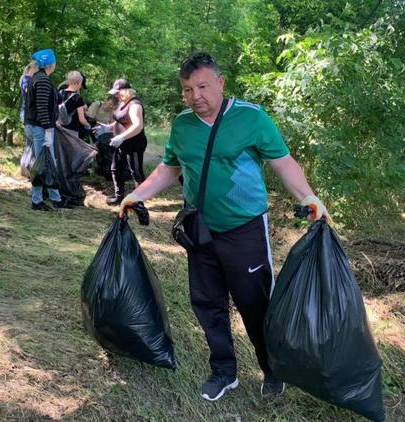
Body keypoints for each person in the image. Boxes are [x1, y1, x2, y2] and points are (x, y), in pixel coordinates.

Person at [118, 52, 330, 402]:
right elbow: (170, 168)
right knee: (207, 303)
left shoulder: (251, 118)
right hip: (199, 229)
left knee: (255, 303)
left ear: (220, 82)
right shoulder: (183, 124)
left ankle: (271, 368)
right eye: (187, 89)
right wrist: (137, 195)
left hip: (245, 228)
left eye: (202, 86)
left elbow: (283, 162)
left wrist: (309, 197)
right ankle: (224, 371)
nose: (195, 96)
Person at [24, 48, 68, 211]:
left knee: (46, 163)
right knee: (42, 165)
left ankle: (54, 198)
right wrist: (48, 129)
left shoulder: (40, 78)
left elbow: (50, 100)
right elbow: (42, 107)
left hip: (36, 127)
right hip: (40, 128)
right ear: (50, 64)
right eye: (55, 61)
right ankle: (37, 201)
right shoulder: (42, 80)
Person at [104, 79, 148, 205]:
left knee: (136, 172)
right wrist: (108, 127)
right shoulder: (123, 103)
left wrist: (121, 137)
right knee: (115, 169)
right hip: (122, 144)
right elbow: (121, 120)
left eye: (118, 93)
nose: (116, 95)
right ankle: (119, 197)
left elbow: (138, 125)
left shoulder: (135, 104)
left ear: (126, 91)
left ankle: (140, 200)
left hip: (134, 143)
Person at [59, 70, 91, 139]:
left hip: (59, 127)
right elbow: (81, 119)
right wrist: (88, 126)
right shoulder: (77, 98)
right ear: (78, 83)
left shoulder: (59, 93)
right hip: (72, 130)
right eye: (80, 84)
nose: (80, 87)